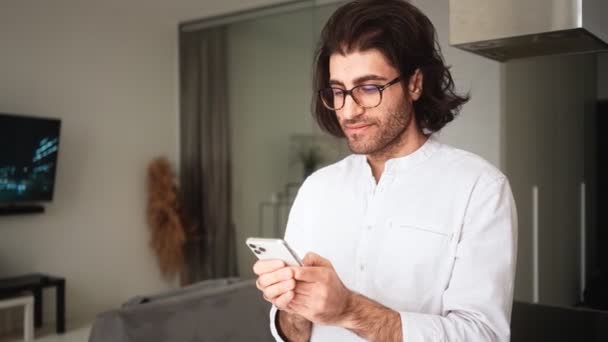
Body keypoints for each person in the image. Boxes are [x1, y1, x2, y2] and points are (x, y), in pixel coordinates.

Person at [253, 0, 517, 341]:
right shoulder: (317, 188)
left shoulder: (479, 188)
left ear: (415, 84)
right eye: (337, 91)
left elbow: (484, 335)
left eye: (368, 88)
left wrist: (349, 309)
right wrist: (294, 309)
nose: (348, 111)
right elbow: (292, 331)